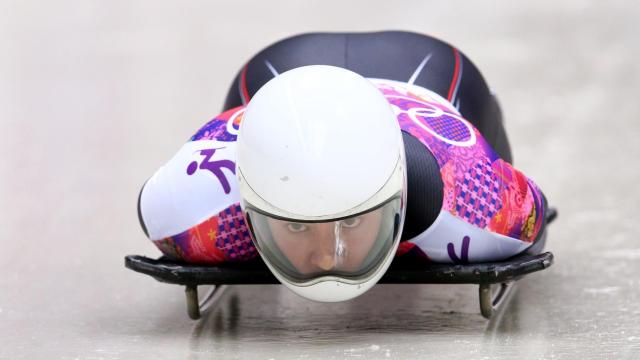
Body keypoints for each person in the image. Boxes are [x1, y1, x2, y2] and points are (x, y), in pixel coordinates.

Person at [137, 31, 548, 302]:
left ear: (399, 197)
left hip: (431, 76)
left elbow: (531, 209)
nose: (326, 257)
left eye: (351, 222)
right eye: (296, 225)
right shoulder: (189, 207)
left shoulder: (479, 201)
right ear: (247, 208)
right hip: (286, 75)